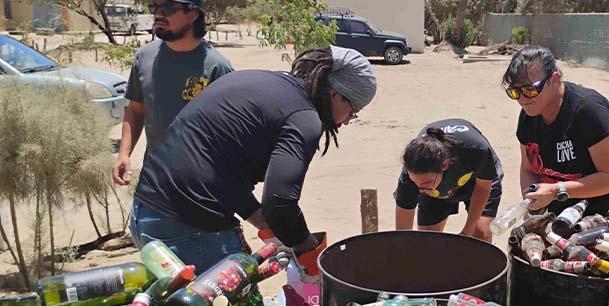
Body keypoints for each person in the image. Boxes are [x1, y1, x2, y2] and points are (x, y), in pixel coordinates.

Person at [128, 46, 377, 274]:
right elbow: (280, 202)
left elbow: (219, 170)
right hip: (190, 226)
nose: (345, 122)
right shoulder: (304, 117)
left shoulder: (261, 82)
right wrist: (309, 251)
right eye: (352, 112)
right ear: (337, 94)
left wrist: (264, 223)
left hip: (146, 214)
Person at [504, 46, 609, 216]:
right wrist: (531, 197)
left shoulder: (588, 110)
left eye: (530, 90)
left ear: (554, 79)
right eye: (515, 92)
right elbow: (529, 169)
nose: (523, 99)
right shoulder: (528, 116)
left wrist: (556, 191)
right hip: (562, 212)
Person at [112, 0, 233, 186]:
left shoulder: (217, 67)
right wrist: (124, 153)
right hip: (154, 181)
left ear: (193, 14)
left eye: (168, 8)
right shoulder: (144, 57)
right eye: (155, 8)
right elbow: (136, 109)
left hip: (202, 186)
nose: (159, 14)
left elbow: (232, 132)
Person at [394, 119, 503, 242]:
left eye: (425, 183)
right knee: (428, 241)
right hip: (437, 191)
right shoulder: (411, 176)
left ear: (444, 165)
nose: (420, 189)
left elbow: (483, 187)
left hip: (477, 182)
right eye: (415, 182)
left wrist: (467, 231)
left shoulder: (475, 150)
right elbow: (402, 235)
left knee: (480, 234)